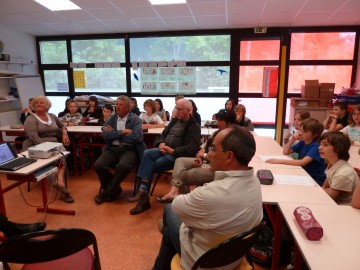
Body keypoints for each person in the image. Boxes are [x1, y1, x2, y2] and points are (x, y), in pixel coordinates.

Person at [152, 126, 263, 270]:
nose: (209, 154)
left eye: (213, 149)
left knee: (169, 210)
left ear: (229, 156)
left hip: (204, 262)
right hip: (234, 257)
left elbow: (176, 205)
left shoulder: (209, 194)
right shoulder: (255, 182)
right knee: (170, 231)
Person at [128, 98, 201, 215]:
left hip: (175, 155)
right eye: (176, 108)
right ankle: (143, 194)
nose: (176, 111)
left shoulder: (194, 126)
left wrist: (173, 150)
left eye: (180, 109)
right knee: (146, 153)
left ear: (188, 110)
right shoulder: (175, 120)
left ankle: (143, 196)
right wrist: (161, 143)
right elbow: (162, 134)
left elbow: (193, 148)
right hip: (163, 149)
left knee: (151, 164)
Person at [156, 108, 236, 202]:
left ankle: (187, 199)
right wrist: (199, 157)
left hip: (215, 168)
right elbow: (203, 146)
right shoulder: (217, 133)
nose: (218, 123)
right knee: (180, 160)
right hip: (205, 160)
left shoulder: (231, 137)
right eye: (217, 120)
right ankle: (176, 193)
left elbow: (217, 157)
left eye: (221, 121)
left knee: (183, 175)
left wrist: (203, 155)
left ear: (229, 122)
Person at [93, 95, 146, 204]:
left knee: (124, 166)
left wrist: (114, 132)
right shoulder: (111, 118)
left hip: (129, 149)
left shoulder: (136, 119)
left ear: (128, 107)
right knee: (99, 165)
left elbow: (137, 137)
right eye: (116, 104)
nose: (117, 107)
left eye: (120, 105)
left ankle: (107, 192)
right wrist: (122, 132)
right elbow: (106, 136)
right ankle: (115, 189)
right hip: (112, 148)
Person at [22, 96, 74, 203]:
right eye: (37, 103)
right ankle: (61, 186)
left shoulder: (52, 116)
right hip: (36, 147)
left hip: (53, 144)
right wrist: (51, 148)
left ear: (47, 106)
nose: (39, 104)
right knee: (54, 158)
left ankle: (59, 182)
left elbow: (62, 126)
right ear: (33, 106)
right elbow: (34, 139)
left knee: (63, 155)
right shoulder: (30, 119)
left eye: (42, 103)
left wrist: (64, 133)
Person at [266, 118, 326, 186]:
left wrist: (279, 161)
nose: (300, 133)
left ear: (314, 135)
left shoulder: (315, 147)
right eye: (300, 130)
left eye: (304, 131)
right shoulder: (302, 142)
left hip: (315, 179)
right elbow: (285, 152)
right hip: (304, 174)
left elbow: (302, 162)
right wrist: (293, 139)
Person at [319, 131, 359, 205]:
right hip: (335, 203)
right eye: (320, 144)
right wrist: (326, 190)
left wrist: (327, 191)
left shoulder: (343, 173)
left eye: (325, 145)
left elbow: (329, 197)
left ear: (338, 148)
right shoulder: (332, 164)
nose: (320, 147)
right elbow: (324, 187)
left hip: (345, 209)